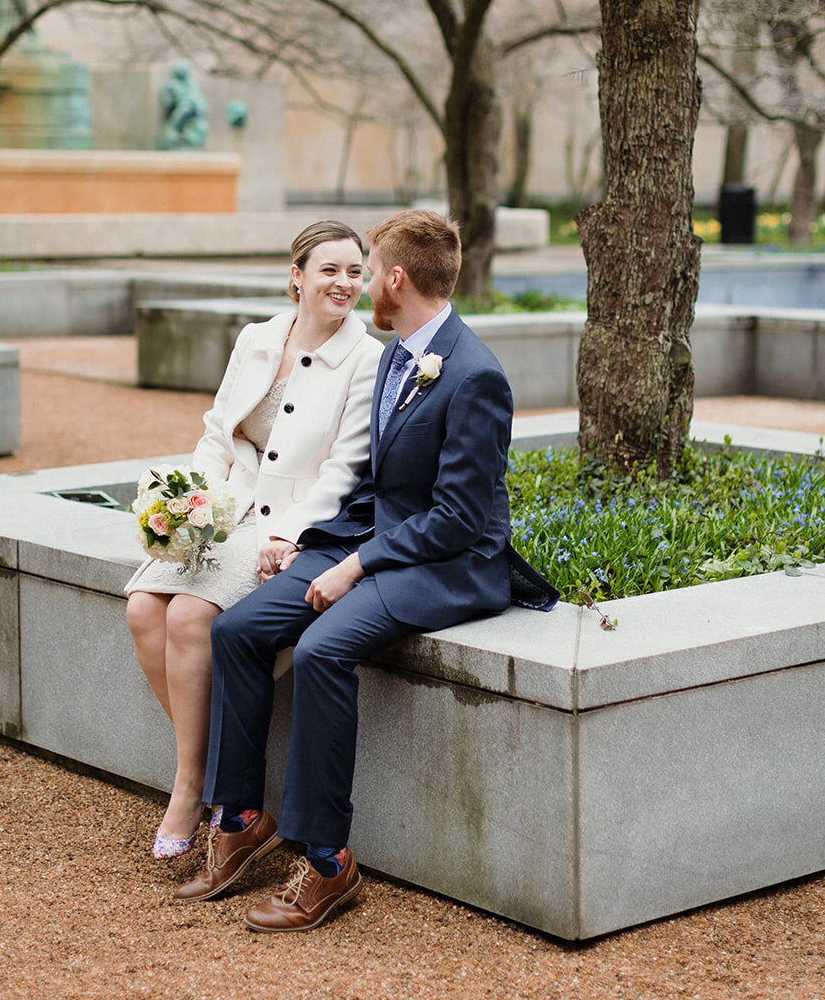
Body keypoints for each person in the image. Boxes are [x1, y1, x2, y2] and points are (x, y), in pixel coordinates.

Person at [177, 209, 557, 931]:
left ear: (394, 278)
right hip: (373, 539)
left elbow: (459, 519)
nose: (358, 285)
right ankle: (242, 817)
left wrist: (354, 565)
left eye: (367, 268)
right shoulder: (396, 354)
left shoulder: (475, 375)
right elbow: (374, 483)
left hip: (448, 564)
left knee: (321, 651)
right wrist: (305, 538)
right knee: (240, 629)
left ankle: (327, 863)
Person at [124, 221, 383, 861]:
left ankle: (190, 788)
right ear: (296, 276)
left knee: (188, 616)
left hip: (287, 524)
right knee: (141, 608)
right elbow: (218, 432)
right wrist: (189, 502)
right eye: (330, 270)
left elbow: (344, 472)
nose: (345, 284)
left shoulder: (368, 359)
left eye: (355, 272)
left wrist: (290, 533)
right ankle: (217, 778)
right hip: (228, 506)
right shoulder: (258, 338)